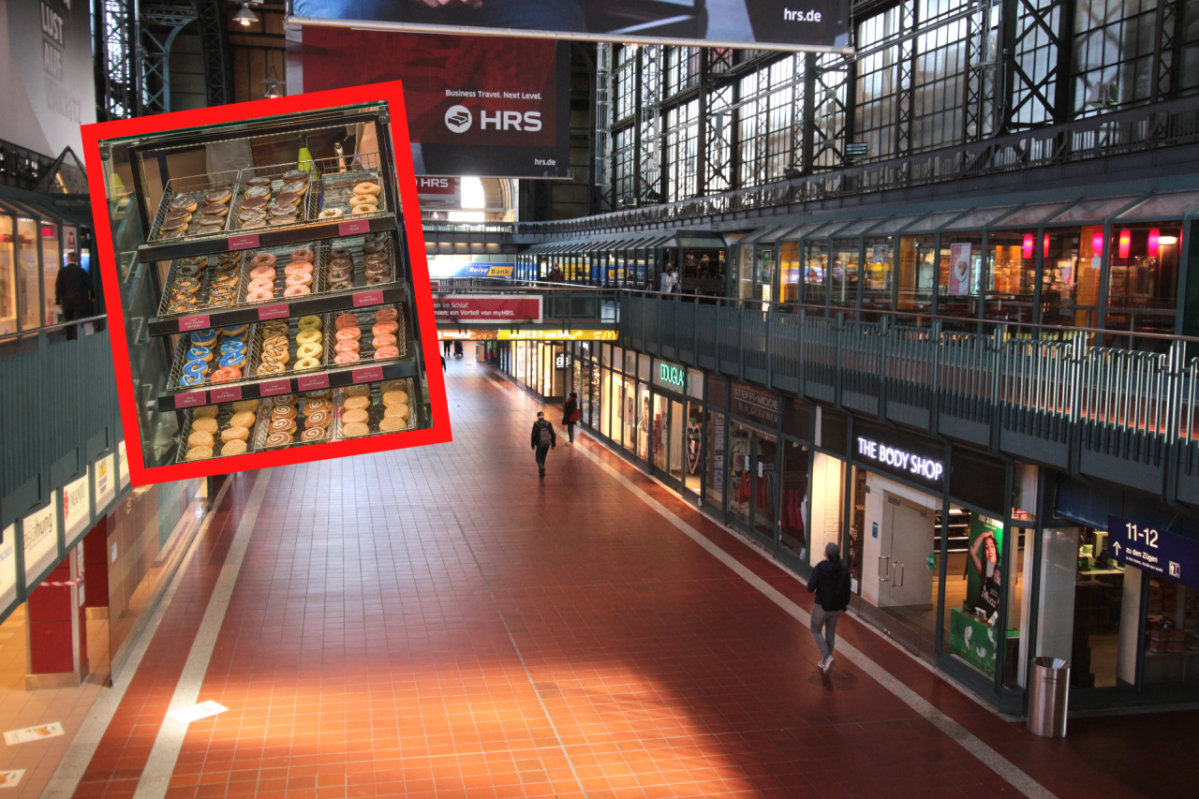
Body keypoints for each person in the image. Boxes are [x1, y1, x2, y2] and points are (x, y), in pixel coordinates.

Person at [806, 542, 851, 672]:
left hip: (822, 606)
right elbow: (847, 589)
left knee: (815, 630)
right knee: (830, 632)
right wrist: (845, 604)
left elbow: (810, 588)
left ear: (826, 553)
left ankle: (827, 657)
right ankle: (826, 661)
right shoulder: (843, 569)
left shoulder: (820, 567)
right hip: (837, 607)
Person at [55, 253, 95, 340]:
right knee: (77, 323)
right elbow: (90, 285)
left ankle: (69, 340)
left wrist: (58, 301)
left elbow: (58, 287)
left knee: (69, 322)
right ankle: (76, 339)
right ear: (76, 260)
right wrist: (93, 296)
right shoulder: (82, 271)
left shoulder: (62, 272)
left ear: (67, 260)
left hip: (67, 302)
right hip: (79, 302)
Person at [968, 529, 1002, 624]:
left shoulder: (1001, 572)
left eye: (992, 546)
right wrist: (983, 535)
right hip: (981, 613)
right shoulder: (984, 569)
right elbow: (972, 551)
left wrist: (992, 621)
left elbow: (1000, 603)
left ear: (995, 549)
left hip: (992, 618)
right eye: (986, 547)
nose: (989, 549)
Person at [530, 411, 556, 478]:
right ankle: (542, 472)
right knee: (543, 456)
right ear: (543, 416)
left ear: (538, 417)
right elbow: (553, 434)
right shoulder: (548, 423)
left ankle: (541, 467)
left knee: (538, 457)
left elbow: (533, 435)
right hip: (547, 443)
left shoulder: (536, 424)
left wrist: (532, 445)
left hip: (539, 443)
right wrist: (553, 444)